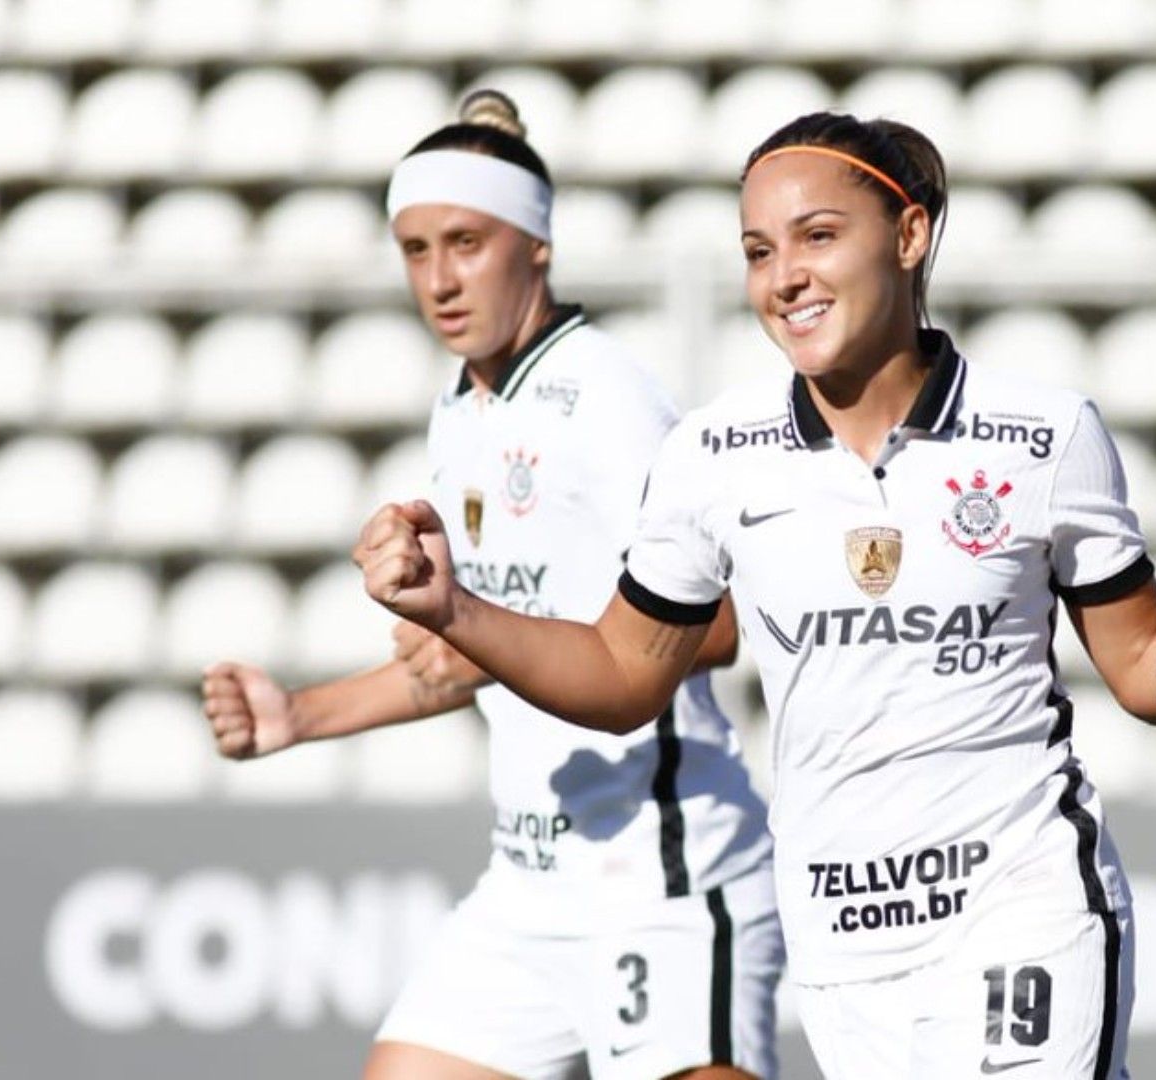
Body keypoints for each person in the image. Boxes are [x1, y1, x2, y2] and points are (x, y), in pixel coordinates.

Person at [350, 110, 1156, 1079]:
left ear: (910, 236)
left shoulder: (1044, 435)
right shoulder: (714, 454)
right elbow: (622, 674)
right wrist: (455, 611)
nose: (785, 276)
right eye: (758, 252)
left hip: (1021, 908)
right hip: (843, 948)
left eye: (817, 236)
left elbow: (1146, 665)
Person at [201, 91, 781, 1080]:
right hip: (530, 886)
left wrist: (502, 625)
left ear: (537, 244)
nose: (439, 279)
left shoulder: (604, 395)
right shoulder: (460, 413)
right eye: (416, 250)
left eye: (466, 242)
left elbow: (726, 614)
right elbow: (488, 654)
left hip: (661, 875)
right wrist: (300, 715)